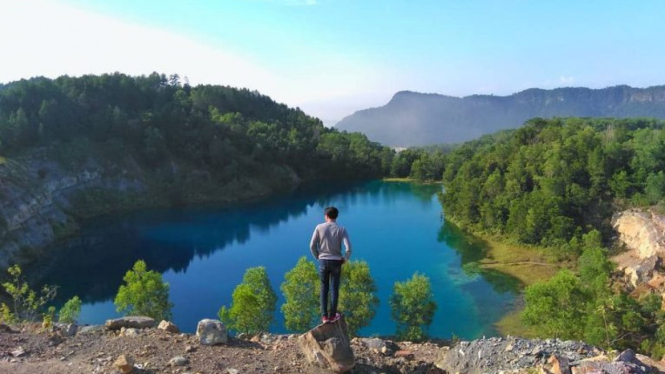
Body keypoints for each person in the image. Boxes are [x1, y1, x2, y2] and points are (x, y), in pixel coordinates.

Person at [309, 206, 352, 324]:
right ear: (336, 216)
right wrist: (345, 259)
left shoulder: (319, 227)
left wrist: (317, 256)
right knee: (334, 289)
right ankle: (333, 316)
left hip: (323, 260)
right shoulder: (341, 229)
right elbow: (348, 248)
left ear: (326, 216)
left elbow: (312, 246)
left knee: (324, 288)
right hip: (336, 262)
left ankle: (324, 317)